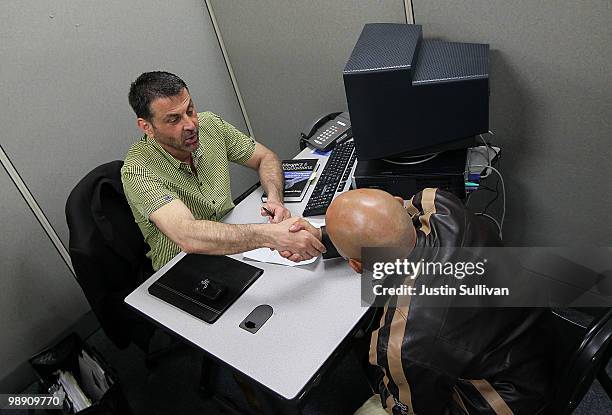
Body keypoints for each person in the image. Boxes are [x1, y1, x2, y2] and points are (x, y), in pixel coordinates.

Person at [290, 188, 552, 414]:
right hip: (536, 341)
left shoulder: (404, 341)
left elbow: (414, 409)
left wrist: (387, 383)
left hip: (503, 400)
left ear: (357, 266)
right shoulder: (440, 203)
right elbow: (403, 208)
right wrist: (321, 236)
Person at [121, 71, 325, 271]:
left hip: (234, 245)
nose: (191, 124)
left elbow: (265, 158)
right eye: (174, 120)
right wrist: (272, 235)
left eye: (190, 110)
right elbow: (187, 235)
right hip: (184, 267)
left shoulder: (211, 125)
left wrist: (274, 199)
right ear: (146, 127)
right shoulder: (137, 170)